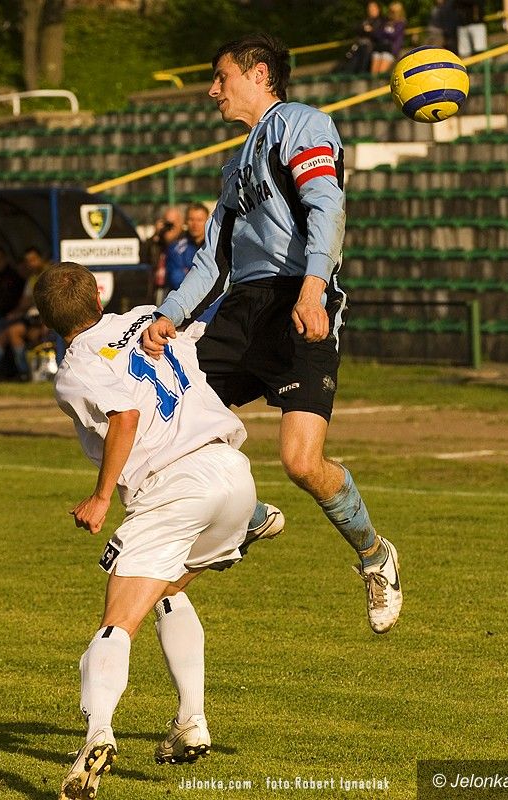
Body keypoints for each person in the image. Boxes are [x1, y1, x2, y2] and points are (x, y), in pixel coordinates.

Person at [142, 33, 402, 635]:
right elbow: (213, 259)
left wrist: (313, 289)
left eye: (221, 77)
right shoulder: (235, 165)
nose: (213, 90)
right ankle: (246, 516)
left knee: (301, 463)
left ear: (259, 74)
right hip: (243, 308)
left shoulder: (302, 125)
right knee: (168, 420)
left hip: (297, 298)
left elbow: (327, 208)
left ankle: (374, 554)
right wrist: (170, 314)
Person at [33, 262, 260, 799]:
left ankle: (97, 734)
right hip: (233, 473)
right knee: (166, 592)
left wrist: (101, 497)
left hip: (173, 487)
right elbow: (211, 332)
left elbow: (126, 416)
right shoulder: (150, 318)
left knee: (116, 625)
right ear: (98, 297)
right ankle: (191, 720)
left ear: (46, 320)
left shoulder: (75, 367)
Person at [0, 246, 50, 381]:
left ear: (41, 259)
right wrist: (15, 314)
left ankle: (22, 371)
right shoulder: (32, 279)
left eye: (33, 260)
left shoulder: (49, 275)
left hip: (47, 320)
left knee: (11, 331)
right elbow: (25, 302)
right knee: (6, 334)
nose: (30, 264)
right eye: (27, 261)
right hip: (31, 319)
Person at [165, 202, 210, 292]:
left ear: (208, 221)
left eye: (199, 220)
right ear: (186, 221)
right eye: (191, 219)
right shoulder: (176, 249)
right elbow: (176, 279)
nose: (195, 224)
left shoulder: (215, 247)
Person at [340, 1, 387, 74]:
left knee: (365, 48)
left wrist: (371, 31)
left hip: (374, 48)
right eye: (370, 8)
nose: (371, 10)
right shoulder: (365, 20)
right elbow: (356, 29)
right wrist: (364, 29)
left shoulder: (382, 21)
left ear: (378, 9)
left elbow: (381, 36)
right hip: (360, 47)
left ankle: (361, 73)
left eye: (373, 8)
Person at [371, 1, 406, 74]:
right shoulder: (385, 21)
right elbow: (378, 34)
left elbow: (394, 35)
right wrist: (386, 33)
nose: (392, 13)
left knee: (381, 74)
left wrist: (385, 33)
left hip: (391, 51)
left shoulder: (401, 23)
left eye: (394, 11)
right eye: (391, 11)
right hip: (380, 48)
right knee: (373, 74)